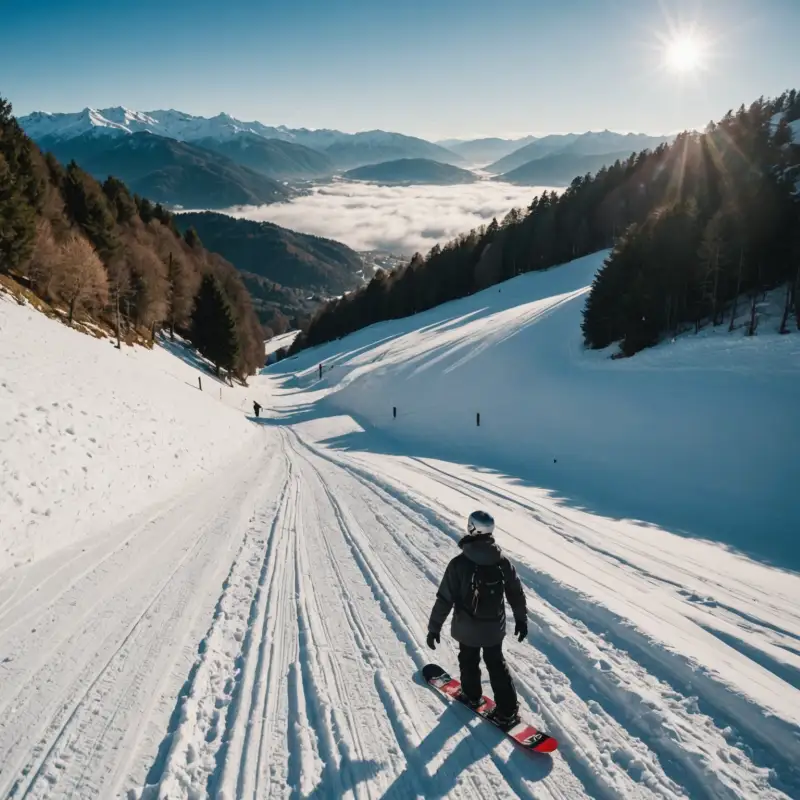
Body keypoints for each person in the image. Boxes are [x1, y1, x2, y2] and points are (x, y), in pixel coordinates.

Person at [427, 510, 528, 728]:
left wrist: (434, 628)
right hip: (494, 628)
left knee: (468, 659)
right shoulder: (502, 562)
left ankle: (472, 696)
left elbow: (444, 598)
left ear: (472, 528)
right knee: (496, 664)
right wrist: (521, 619)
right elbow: (516, 592)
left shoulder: (459, 564)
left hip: (467, 627)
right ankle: (508, 712)